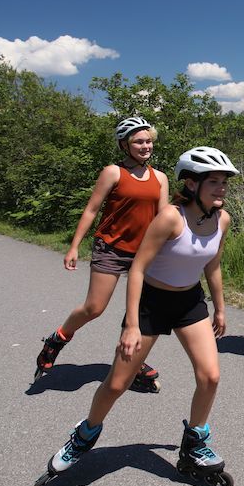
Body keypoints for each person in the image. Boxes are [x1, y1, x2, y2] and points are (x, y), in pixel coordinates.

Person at [32, 146, 238, 486]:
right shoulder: (171, 218)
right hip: (151, 304)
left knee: (211, 376)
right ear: (190, 184)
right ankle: (83, 436)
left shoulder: (223, 219)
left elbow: (212, 264)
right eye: (213, 182)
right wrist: (131, 324)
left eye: (224, 182)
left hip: (189, 302)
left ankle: (194, 446)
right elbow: (138, 268)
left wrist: (219, 306)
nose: (221, 188)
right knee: (116, 383)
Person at [33, 117, 170, 392]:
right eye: (139, 141)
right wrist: (74, 246)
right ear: (125, 145)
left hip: (143, 254)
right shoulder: (113, 172)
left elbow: (163, 218)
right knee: (94, 308)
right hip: (111, 248)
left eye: (149, 140)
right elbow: (92, 209)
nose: (146, 146)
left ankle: (129, 361)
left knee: (140, 315)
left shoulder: (160, 178)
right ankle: (58, 338)